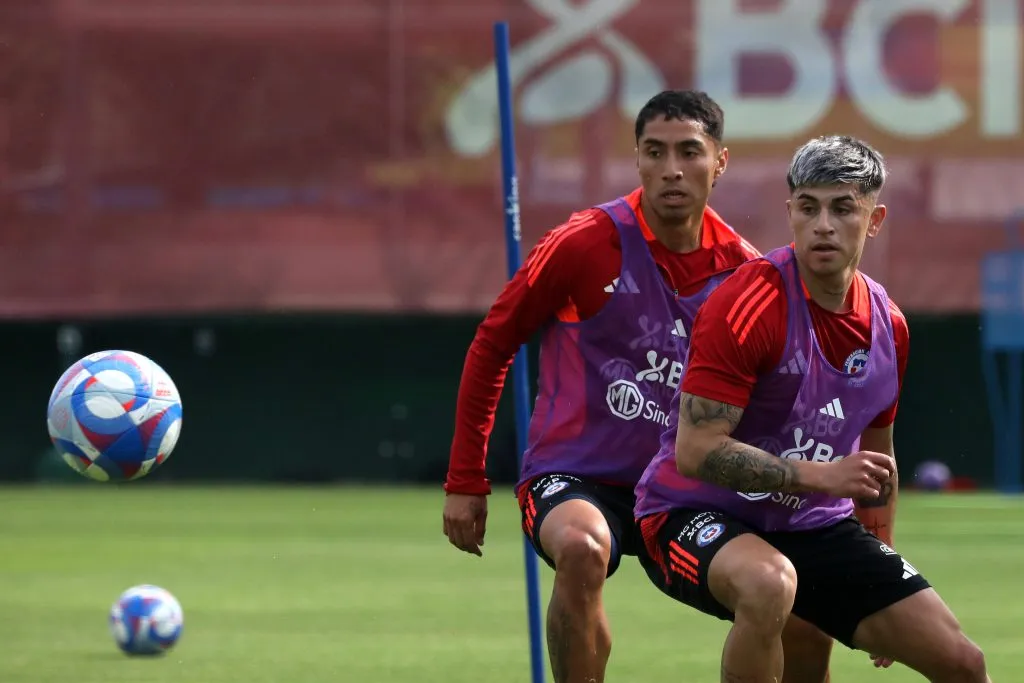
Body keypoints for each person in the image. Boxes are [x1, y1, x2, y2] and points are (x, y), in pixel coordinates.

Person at [442, 90, 835, 683]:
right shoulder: (582, 242)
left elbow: (774, 404)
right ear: (638, 160)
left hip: (682, 492)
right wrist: (465, 480)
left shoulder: (744, 270)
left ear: (720, 162)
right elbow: (493, 345)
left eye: (689, 152)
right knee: (583, 548)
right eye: (655, 152)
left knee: (794, 595)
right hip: (574, 476)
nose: (671, 168)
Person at [635, 134, 990, 683]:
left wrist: (877, 563)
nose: (823, 225)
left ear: (874, 220)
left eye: (842, 208)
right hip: (690, 513)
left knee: (964, 664)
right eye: (809, 207)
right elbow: (696, 451)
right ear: (791, 214)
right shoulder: (746, 305)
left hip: (811, 526)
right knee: (769, 584)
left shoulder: (889, 325)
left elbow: (876, 460)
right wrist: (821, 476)